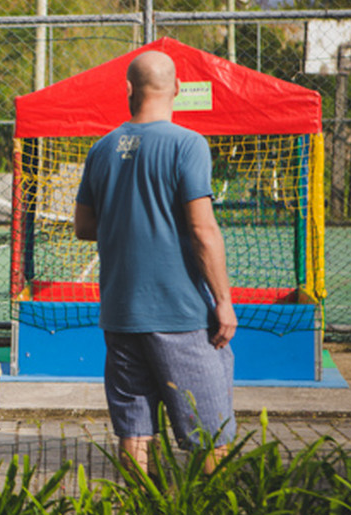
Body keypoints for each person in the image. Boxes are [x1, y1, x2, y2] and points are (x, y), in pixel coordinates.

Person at [72, 49, 237, 477]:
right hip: (178, 312)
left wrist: (129, 219)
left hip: (120, 311)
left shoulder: (101, 149)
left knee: (135, 430)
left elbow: (84, 227)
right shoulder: (188, 143)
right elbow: (203, 230)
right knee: (211, 431)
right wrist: (223, 300)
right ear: (178, 89)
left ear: (128, 89)